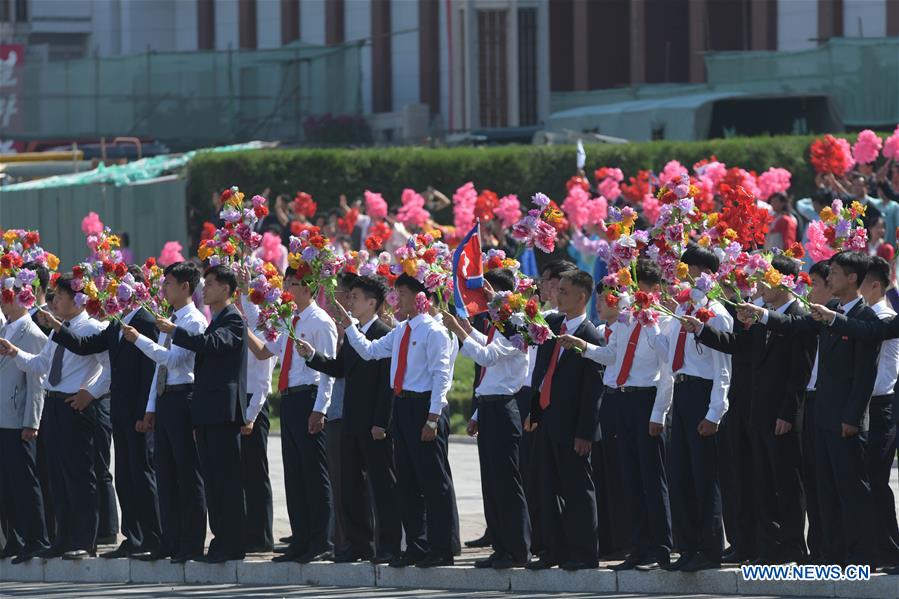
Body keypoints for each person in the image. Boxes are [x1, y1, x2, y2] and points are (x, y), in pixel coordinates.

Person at [742, 251, 880, 567]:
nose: (828, 279)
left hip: (844, 417)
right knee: (823, 490)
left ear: (852, 279)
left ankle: (860, 556)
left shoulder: (865, 319)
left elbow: (864, 376)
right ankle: (829, 554)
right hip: (818, 412)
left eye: (833, 273)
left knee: (850, 488)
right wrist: (760, 314)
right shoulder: (826, 311)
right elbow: (794, 324)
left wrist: (853, 417)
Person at [684, 254, 815, 565]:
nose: (758, 287)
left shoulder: (799, 317)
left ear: (785, 282)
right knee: (761, 481)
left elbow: (800, 373)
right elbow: (737, 346)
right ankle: (768, 547)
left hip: (782, 415)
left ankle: (793, 545)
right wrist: (700, 330)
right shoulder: (761, 316)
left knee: (786, 481)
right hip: (756, 412)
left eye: (765, 280)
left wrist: (788, 412)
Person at [331, 273, 455, 569]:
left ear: (419, 297)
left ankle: (441, 547)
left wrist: (433, 417)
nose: (396, 300)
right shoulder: (401, 331)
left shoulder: (433, 331)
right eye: (396, 293)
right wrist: (350, 327)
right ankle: (416, 545)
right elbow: (369, 352)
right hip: (403, 407)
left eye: (402, 293)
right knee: (408, 482)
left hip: (425, 407)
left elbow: (442, 376)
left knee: (433, 483)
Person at [559, 259, 673, 571]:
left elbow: (668, 370)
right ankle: (638, 546)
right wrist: (582, 346)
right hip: (620, 401)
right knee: (630, 477)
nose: (609, 300)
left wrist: (659, 413)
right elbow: (612, 356)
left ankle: (661, 547)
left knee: (653, 478)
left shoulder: (656, 321)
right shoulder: (622, 323)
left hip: (645, 400)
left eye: (614, 293)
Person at [41, 265, 162, 560]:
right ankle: (132, 537)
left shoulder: (145, 321)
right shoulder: (115, 325)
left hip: (132, 410)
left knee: (134, 475)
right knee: (122, 477)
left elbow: (149, 369)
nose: (109, 294)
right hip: (114, 410)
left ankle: (150, 538)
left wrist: (94, 394)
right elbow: (83, 346)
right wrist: (56, 327)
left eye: (114, 288)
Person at [0, 274, 111, 560]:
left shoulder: (92, 327)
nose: (55, 301)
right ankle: (63, 538)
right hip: (53, 405)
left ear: (77, 299)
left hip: (75, 405)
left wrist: (92, 393)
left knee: (79, 475)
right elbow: (41, 365)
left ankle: (85, 540)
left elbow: (107, 368)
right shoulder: (57, 330)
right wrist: (15, 353)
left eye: (60, 296)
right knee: (58, 477)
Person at [296, 275, 401, 564]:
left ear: (373, 303)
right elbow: (339, 369)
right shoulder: (353, 334)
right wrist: (312, 356)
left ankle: (389, 546)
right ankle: (359, 545)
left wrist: (381, 421)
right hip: (351, 420)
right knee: (351, 486)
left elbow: (386, 384)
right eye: (350, 295)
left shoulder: (383, 332)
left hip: (374, 424)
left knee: (382, 487)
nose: (349, 301)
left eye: (355, 297)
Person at [154, 264, 248, 563]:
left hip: (222, 412)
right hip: (207, 412)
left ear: (226, 289)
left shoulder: (232, 320)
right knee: (214, 481)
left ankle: (232, 544)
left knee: (227, 481)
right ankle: (221, 543)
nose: (204, 288)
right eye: (204, 283)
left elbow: (213, 345)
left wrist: (176, 332)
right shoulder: (217, 319)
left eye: (210, 284)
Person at [246, 268, 337, 565]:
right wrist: (244, 325)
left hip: (308, 398)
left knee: (314, 473)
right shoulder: (288, 320)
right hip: (289, 399)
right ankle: (301, 538)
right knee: (294, 474)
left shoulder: (320, 321)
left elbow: (328, 372)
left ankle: (322, 539)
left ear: (308, 288)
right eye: (284, 283)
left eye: (292, 284)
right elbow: (264, 353)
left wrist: (320, 409)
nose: (286, 288)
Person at [445, 268, 531, 569]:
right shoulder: (499, 324)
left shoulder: (517, 323)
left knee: (507, 482)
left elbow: (488, 356)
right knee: (493, 482)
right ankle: (501, 546)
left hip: (505, 407)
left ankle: (517, 549)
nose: (483, 299)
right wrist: (466, 328)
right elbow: (487, 347)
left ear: (503, 294)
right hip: (491, 406)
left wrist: (459, 332)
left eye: (488, 293)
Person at [654, 244, 732, 572]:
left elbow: (723, 367)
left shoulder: (716, 313)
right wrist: (651, 319)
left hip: (703, 395)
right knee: (680, 475)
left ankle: (709, 548)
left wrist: (715, 412)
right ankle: (686, 547)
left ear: (703, 274)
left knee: (704, 476)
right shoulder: (681, 312)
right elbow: (667, 352)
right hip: (683, 395)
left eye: (686, 271)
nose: (678, 278)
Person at [124, 261, 207, 564]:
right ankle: (169, 540)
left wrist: (139, 340)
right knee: (165, 473)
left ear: (185, 287)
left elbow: (174, 360)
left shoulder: (193, 321)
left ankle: (192, 542)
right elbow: (160, 369)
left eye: (169, 283)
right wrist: (150, 408)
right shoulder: (170, 319)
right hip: (165, 398)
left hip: (184, 398)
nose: (164, 289)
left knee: (187, 473)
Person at [526, 269, 604, 571]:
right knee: (548, 489)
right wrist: (534, 412)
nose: (557, 295)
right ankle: (553, 550)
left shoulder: (590, 336)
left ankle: (584, 553)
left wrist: (585, 431)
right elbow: (542, 373)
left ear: (582, 297)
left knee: (577, 491)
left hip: (573, 428)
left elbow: (592, 391)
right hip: (547, 420)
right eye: (557, 290)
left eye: (564, 291)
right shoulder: (553, 325)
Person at [0, 285, 50, 564]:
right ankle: (15, 538)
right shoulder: (6, 329)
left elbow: (36, 382)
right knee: (7, 484)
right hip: (3, 416)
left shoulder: (30, 333)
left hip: (18, 418)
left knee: (25, 482)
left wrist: (32, 421)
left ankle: (36, 538)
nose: (3, 302)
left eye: (7, 297)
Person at [855, 257, 899, 567]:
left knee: (878, 479)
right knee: (869, 479)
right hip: (865, 404)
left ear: (874, 285)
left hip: (882, 406)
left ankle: (890, 549)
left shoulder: (884, 318)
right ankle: (876, 548)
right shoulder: (870, 315)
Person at [235, 278, 277, 554]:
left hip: (254, 406)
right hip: (238, 400)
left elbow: (263, 378)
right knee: (240, 474)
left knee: (255, 474)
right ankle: (245, 532)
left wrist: (250, 416)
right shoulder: (245, 320)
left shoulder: (267, 330)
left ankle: (261, 536)